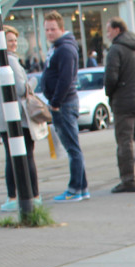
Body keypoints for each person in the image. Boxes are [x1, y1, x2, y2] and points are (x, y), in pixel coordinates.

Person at [0, 25, 41, 213]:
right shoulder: (10, 62)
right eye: (10, 40)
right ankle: (33, 195)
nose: (14, 44)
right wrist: (33, 81)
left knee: (11, 157)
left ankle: (12, 196)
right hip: (18, 118)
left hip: (2, 118)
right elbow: (20, 88)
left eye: (15, 40)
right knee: (26, 156)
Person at [42, 11, 88, 201]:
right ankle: (82, 188)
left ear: (61, 28)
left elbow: (65, 78)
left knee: (72, 148)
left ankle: (75, 189)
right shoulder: (57, 48)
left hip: (64, 104)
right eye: (47, 29)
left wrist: (55, 102)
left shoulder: (65, 50)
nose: (50, 33)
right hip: (62, 103)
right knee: (73, 147)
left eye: (53, 29)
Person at [103, 17, 135, 192]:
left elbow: (111, 78)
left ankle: (128, 180)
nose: (107, 35)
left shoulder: (116, 49)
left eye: (109, 30)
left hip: (123, 100)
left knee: (124, 142)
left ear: (117, 30)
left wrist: (110, 94)